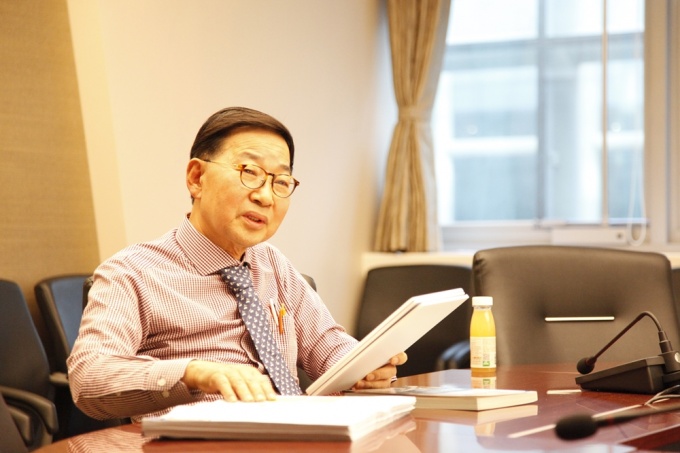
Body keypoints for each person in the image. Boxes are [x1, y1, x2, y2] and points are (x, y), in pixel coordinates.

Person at [67, 106, 407, 422]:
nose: (265, 196)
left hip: (300, 433)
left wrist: (365, 365)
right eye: (250, 172)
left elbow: (327, 346)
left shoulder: (273, 264)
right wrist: (195, 372)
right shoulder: (131, 272)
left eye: (280, 182)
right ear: (196, 178)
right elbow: (89, 377)